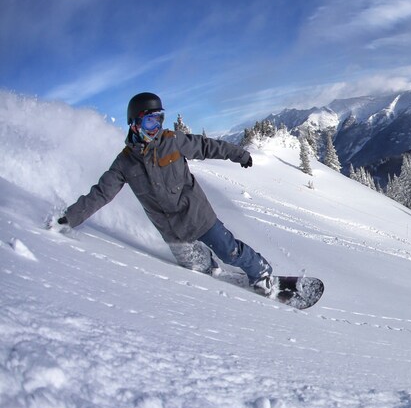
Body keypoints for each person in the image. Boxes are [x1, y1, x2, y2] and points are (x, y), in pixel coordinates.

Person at [56, 92, 275, 294]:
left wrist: (240, 155)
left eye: (159, 119)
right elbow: (102, 193)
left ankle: (262, 274)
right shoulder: (124, 163)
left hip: (198, 216)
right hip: (172, 232)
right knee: (197, 268)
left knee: (230, 252)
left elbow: (207, 146)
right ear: (134, 123)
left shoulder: (172, 141)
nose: (156, 127)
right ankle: (212, 269)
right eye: (150, 121)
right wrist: (71, 217)